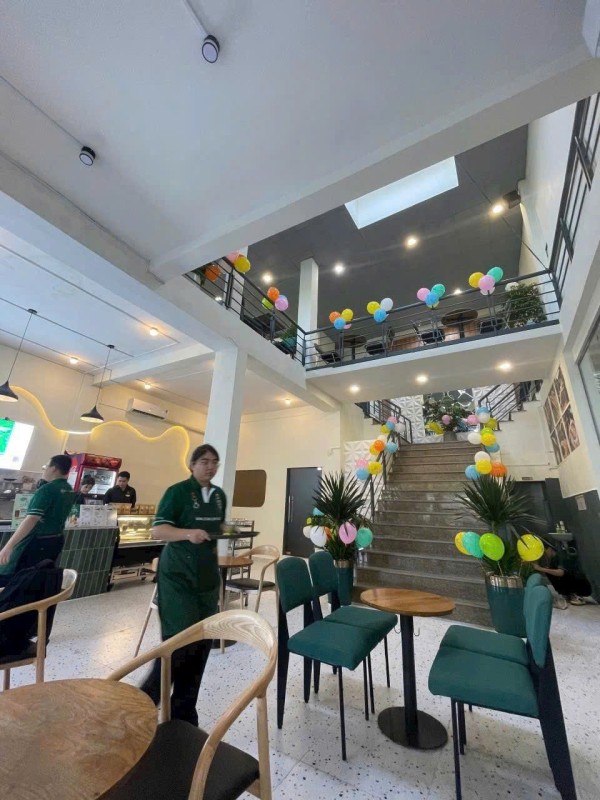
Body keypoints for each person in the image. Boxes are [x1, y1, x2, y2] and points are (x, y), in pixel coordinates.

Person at [140, 444, 226, 724]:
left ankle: (184, 714)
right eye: (204, 461)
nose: (210, 466)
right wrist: (188, 533)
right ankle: (143, 705)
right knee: (177, 643)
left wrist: (227, 531)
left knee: (202, 643)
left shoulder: (219, 496)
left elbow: (215, 529)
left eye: (214, 462)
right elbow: (158, 530)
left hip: (207, 577)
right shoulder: (176, 492)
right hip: (178, 576)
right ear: (192, 464)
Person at [0, 454, 74, 585]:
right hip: (55, 540)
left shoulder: (48, 489)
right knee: (35, 579)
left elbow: (32, 519)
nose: (44, 470)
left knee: (12, 579)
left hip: (36, 542)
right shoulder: (69, 490)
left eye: (45, 466)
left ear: (53, 468)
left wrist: (8, 546)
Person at [533, 544, 592, 608]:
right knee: (549, 571)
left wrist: (540, 568)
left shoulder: (561, 556)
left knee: (551, 571)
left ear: (550, 549)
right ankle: (568, 594)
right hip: (576, 583)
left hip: (583, 587)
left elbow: (561, 573)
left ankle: (576, 595)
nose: (544, 554)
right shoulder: (553, 559)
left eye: (544, 551)